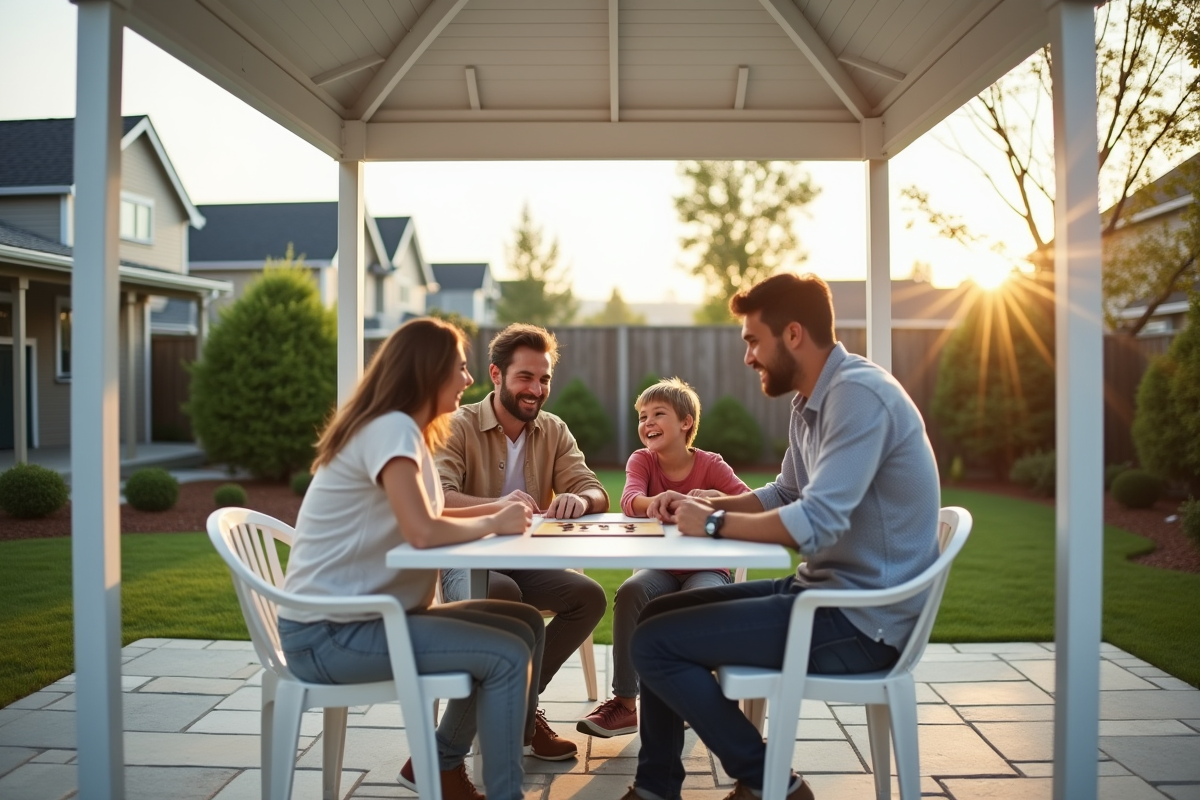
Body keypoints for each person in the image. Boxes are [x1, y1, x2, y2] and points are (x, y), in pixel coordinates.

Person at [619, 273, 941, 800]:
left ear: (792, 334)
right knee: (654, 618)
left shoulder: (857, 397)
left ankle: (771, 782)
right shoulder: (811, 400)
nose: (748, 356)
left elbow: (814, 522)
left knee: (654, 645)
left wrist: (715, 524)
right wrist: (710, 503)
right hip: (822, 595)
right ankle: (658, 787)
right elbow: (786, 492)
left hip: (862, 622)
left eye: (752, 340)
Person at [277, 318, 541, 800]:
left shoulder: (404, 432)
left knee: (523, 623)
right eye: (459, 368)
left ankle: (441, 765)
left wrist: (497, 508)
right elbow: (423, 532)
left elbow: (432, 510)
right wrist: (493, 524)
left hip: (370, 620)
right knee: (506, 655)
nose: (468, 379)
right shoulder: (391, 429)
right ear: (429, 371)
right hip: (332, 634)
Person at [436, 322, 610, 761]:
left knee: (588, 597)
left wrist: (579, 499)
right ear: (496, 376)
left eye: (544, 378)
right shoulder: (459, 424)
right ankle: (519, 720)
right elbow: (436, 496)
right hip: (466, 562)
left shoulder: (553, 429)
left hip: (528, 561)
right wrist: (497, 507)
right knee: (504, 594)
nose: (537, 388)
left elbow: (595, 489)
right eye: (526, 377)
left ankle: (522, 710)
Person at [577, 377, 750, 738]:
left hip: (707, 569)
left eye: (658, 414)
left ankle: (687, 696)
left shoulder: (710, 464)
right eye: (642, 416)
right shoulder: (642, 460)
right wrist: (653, 502)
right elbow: (629, 499)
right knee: (630, 592)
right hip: (659, 568)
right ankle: (625, 704)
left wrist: (714, 499)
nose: (647, 423)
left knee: (695, 602)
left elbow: (749, 501)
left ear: (686, 423)